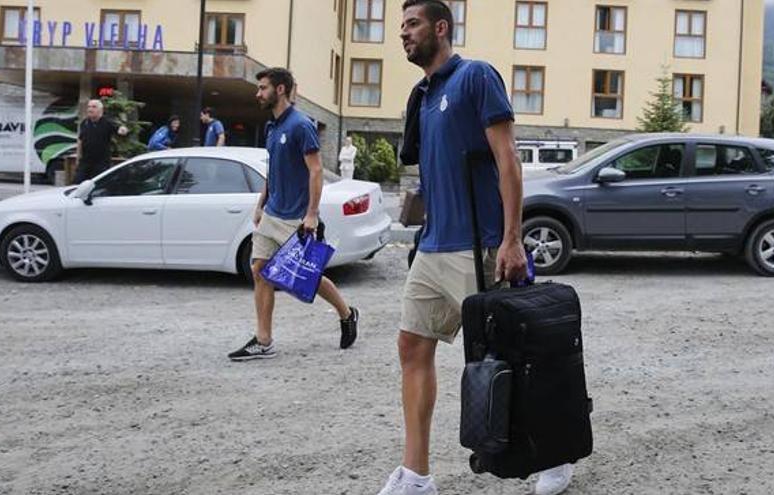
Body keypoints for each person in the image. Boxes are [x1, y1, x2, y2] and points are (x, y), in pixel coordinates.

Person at [377, 2, 575, 495]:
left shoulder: (476, 77)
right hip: (434, 246)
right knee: (411, 346)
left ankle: (554, 456)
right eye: (401, 26)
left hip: (480, 246)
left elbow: (508, 160)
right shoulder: (422, 97)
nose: (403, 34)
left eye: (412, 24)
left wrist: (512, 239)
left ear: (440, 28)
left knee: (511, 358)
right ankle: (417, 476)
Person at [227, 67, 359, 361]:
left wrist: (311, 215)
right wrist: (261, 204)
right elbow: (272, 171)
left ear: (281, 89)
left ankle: (347, 313)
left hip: (296, 218)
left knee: (307, 279)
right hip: (273, 213)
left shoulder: (301, 126)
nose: (257, 93)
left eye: (262, 88)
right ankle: (263, 340)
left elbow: (315, 171)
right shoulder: (271, 128)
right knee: (259, 270)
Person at [75, 99, 128, 184]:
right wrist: (78, 158)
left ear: (101, 110)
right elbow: (80, 141)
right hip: (85, 162)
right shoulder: (84, 123)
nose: (90, 109)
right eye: (89, 107)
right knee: (78, 183)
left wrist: (123, 130)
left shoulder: (107, 122)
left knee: (97, 186)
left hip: (101, 163)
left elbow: (120, 129)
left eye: (93, 107)